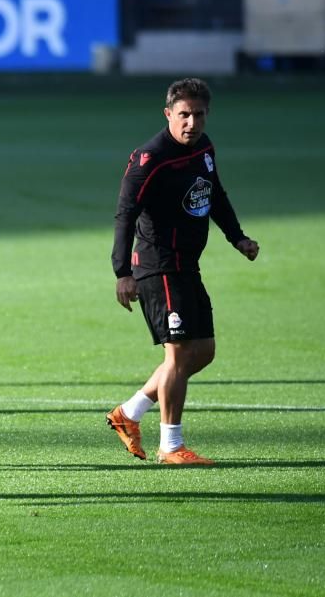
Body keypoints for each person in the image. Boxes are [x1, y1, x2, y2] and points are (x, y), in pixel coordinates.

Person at [108, 78, 260, 466]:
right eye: (184, 115)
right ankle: (171, 447)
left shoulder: (204, 150)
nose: (191, 122)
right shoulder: (150, 158)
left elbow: (215, 194)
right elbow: (125, 212)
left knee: (203, 351)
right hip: (157, 266)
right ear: (168, 114)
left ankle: (129, 413)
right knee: (177, 355)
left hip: (187, 265)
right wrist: (122, 272)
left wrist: (237, 237)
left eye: (199, 114)